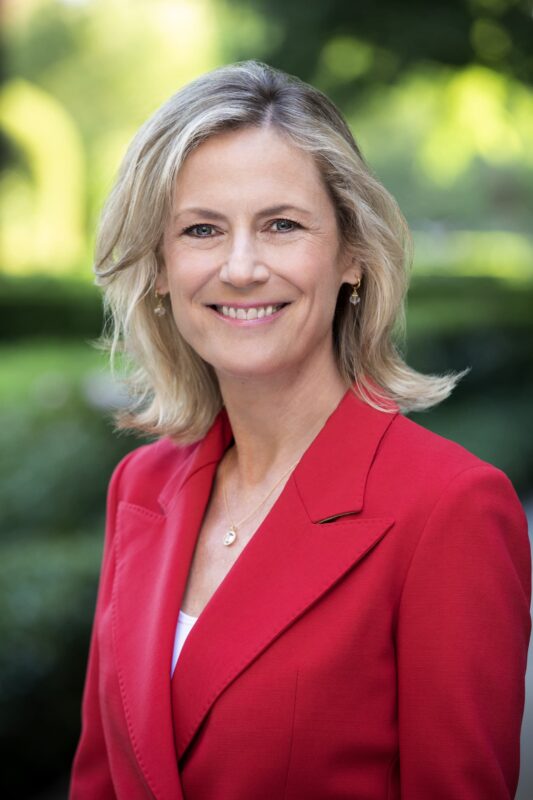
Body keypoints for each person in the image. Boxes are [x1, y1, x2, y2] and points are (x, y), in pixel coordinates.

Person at [69, 61, 531, 800]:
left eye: (281, 225)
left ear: (351, 254)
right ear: (159, 266)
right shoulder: (142, 486)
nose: (241, 267)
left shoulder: (449, 509)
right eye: (201, 229)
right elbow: (100, 777)